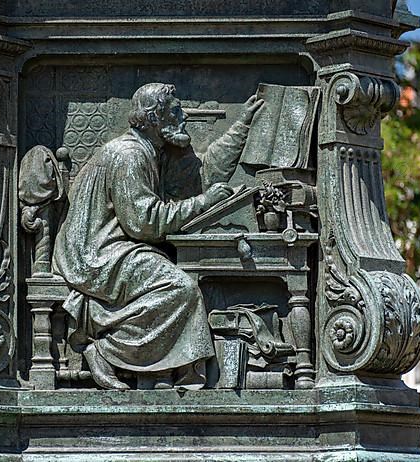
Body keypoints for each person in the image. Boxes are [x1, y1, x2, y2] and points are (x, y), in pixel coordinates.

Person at [52, 83, 263, 389]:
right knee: (181, 289)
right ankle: (105, 350)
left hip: (118, 247)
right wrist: (204, 203)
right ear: (155, 118)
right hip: (96, 255)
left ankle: (163, 372)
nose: (183, 117)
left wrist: (242, 124)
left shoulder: (156, 152)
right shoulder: (129, 155)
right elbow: (144, 222)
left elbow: (202, 176)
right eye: (176, 111)